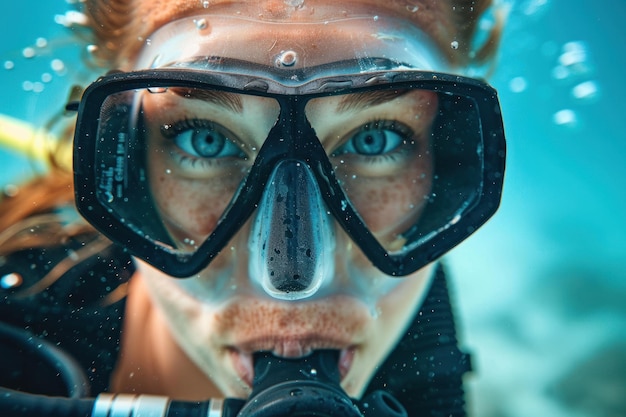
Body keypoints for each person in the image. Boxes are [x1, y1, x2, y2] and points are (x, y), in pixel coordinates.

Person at [0, 1, 506, 416]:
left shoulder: (418, 318)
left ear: (447, 158)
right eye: (205, 140)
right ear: (127, 155)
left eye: (375, 140)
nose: (291, 282)